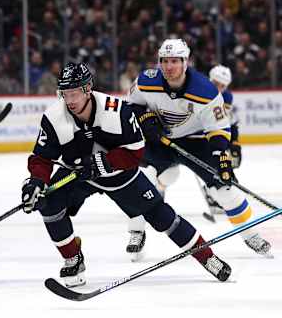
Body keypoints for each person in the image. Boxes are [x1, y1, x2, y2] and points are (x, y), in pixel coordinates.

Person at [21, 62, 231, 288]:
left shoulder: (116, 110)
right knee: (49, 204)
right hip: (78, 174)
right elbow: (41, 158)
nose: (69, 100)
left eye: (74, 93)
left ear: (87, 88)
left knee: (162, 216)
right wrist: (36, 182)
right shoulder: (53, 117)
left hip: (121, 176)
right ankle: (73, 258)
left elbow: (135, 153)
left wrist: (101, 163)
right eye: (65, 94)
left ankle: (207, 256)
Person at [125, 38, 271, 260]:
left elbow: (219, 127)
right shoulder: (146, 80)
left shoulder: (205, 90)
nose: (169, 66)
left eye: (175, 61)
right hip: (158, 140)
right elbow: (131, 106)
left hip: (195, 141)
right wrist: (145, 119)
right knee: (140, 180)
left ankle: (250, 233)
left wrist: (222, 156)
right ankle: (137, 231)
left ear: (186, 62)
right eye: (164, 61)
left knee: (225, 189)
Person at [197, 65, 241, 216]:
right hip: (195, 136)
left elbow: (229, 122)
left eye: (222, 86)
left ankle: (216, 191)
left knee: (227, 166)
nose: (219, 88)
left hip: (213, 135)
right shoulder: (197, 90)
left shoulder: (227, 97)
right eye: (216, 83)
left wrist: (235, 143)